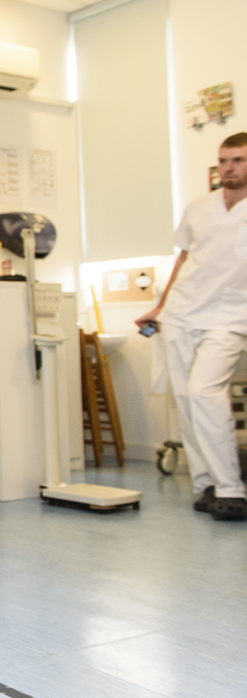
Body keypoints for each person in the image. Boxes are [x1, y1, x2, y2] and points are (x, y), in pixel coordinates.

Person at [135, 132, 247, 521]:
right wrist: (160, 307)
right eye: (224, 160)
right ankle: (207, 484)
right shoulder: (199, 207)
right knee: (186, 400)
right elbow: (182, 260)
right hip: (183, 313)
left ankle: (232, 488)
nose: (229, 168)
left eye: (238, 160)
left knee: (204, 392)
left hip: (231, 317)